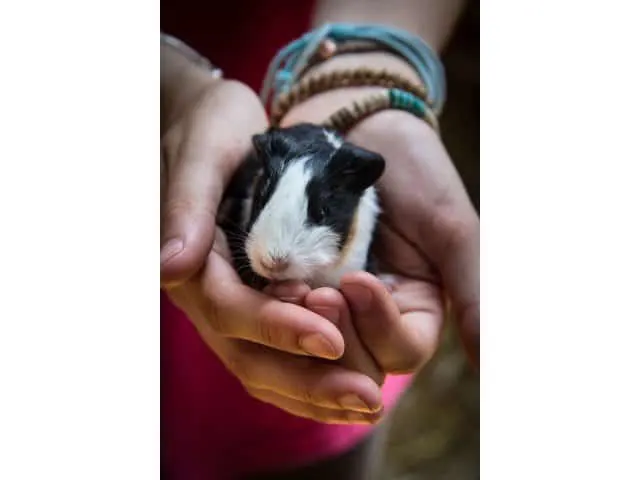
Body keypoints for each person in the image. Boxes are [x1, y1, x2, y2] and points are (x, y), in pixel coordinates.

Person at [160, 0, 479, 478]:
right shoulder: (254, 169)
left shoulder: (364, 199)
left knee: (335, 402)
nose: (273, 257)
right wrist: (168, 89)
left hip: (333, 386)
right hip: (178, 136)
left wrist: (368, 68)